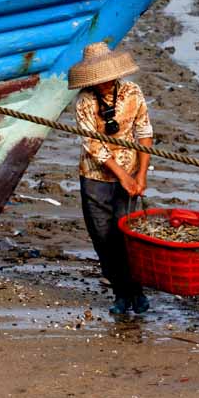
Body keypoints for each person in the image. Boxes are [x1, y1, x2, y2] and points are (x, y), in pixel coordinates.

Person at [68, 42, 153, 316]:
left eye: (107, 76)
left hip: (129, 172)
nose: (103, 82)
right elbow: (93, 145)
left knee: (128, 236)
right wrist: (123, 177)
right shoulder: (84, 101)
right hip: (95, 177)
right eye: (98, 78)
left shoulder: (132, 92)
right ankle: (120, 292)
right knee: (103, 237)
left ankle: (137, 291)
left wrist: (139, 174)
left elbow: (145, 132)